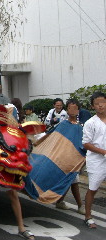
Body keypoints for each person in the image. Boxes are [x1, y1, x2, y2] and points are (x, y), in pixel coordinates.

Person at [54, 99, 85, 215]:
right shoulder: (62, 125)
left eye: (75, 108)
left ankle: (61, 201)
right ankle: (79, 205)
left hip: (74, 158)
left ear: (78, 110)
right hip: (64, 158)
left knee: (72, 180)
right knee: (71, 180)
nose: (72, 111)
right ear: (67, 110)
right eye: (70, 108)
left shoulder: (80, 127)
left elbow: (83, 143)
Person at [82, 91, 106, 229]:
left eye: (102, 102)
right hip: (96, 160)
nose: (100, 106)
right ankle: (88, 216)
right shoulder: (90, 123)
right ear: (93, 106)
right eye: (97, 104)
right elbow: (86, 143)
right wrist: (103, 152)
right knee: (93, 188)